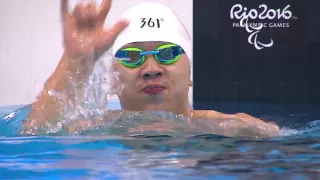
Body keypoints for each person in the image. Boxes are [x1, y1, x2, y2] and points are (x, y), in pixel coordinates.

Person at [22, 0, 281, 138]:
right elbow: (34, 133)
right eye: (132, 56)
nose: (151, 69)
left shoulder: (233, 127)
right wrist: (75, 60)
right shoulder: (89, 127)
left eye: (168, 53)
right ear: (112, 81)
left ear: (191, 74)